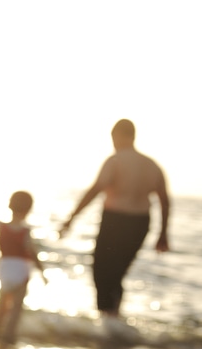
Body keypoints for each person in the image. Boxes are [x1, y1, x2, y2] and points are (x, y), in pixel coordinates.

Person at [59, 119, 170, 318]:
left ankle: (107, 319)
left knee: (102, 271)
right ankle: (114, 318)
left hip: (115, 221)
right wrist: (163, 234)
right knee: (117, 272)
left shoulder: (115, 160)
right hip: (141, 223)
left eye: (114, 137)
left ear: (121, 136)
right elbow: (164, 201)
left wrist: (71, 219)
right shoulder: (151, 165)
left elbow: (94, 190)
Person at [0, 191, 46, 346]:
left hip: (5, 269)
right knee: (15, 309)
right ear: (29, 210)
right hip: (21, 270)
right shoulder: (25, 231)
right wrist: (42, 272)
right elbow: (33, 253)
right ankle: (8, 336)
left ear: (10, 205)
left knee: (2, 304)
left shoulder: (1, 226)